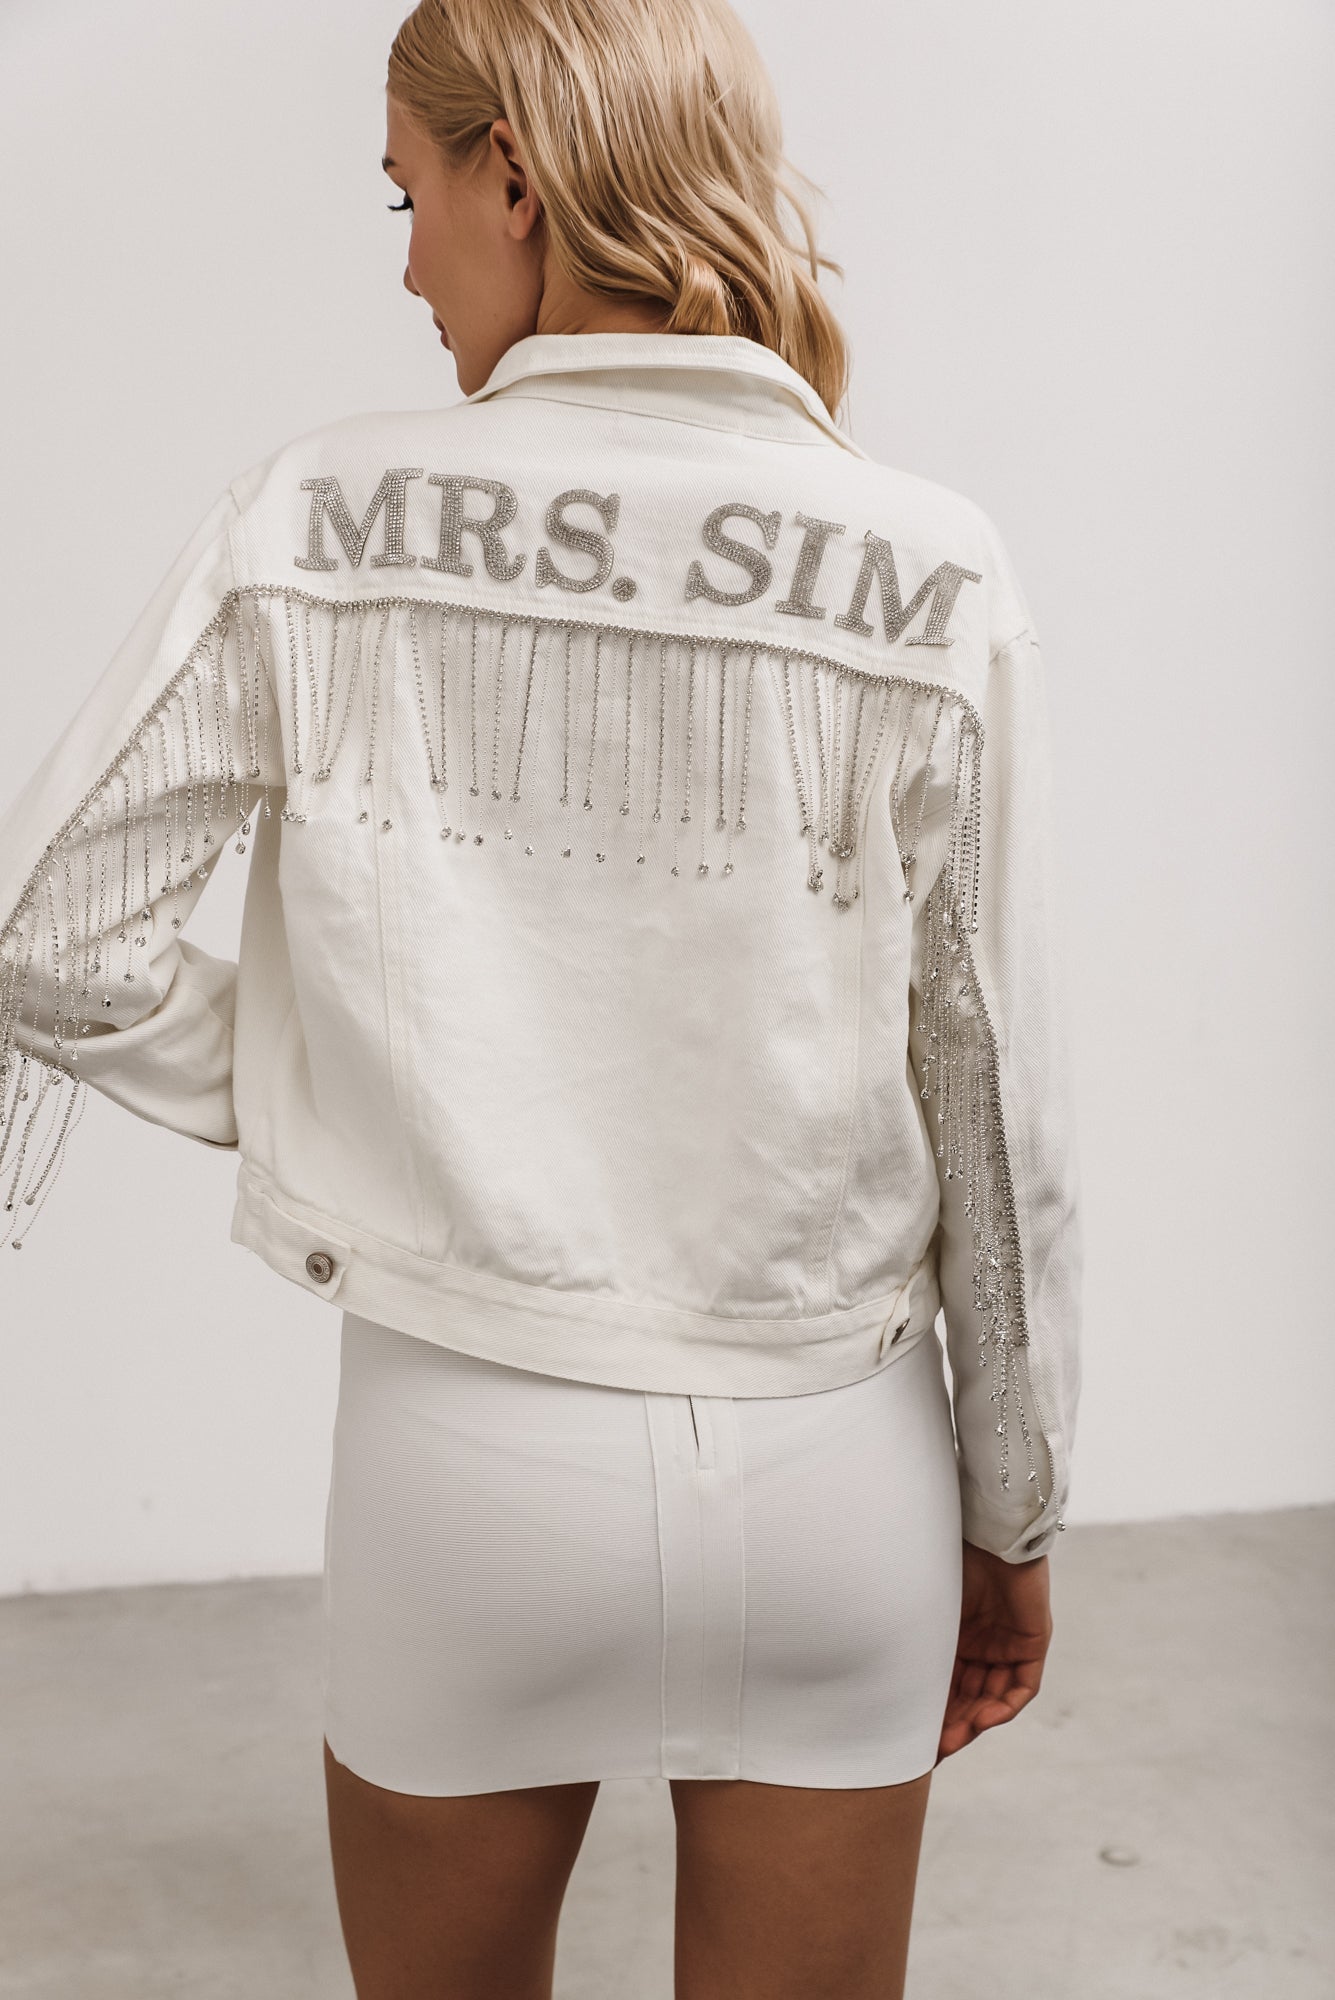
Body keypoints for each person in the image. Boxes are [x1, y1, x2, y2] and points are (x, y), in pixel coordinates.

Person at [0, 0, 1083, 1993]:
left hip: (467, 1477)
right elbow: (991, 1107)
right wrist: (1010, 1514)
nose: (406, 263)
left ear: (512, 173)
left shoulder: (311, 519)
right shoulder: (934, 568)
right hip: (837, 1476)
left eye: (403, 197)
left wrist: (333, 1077)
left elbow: (46, 938)